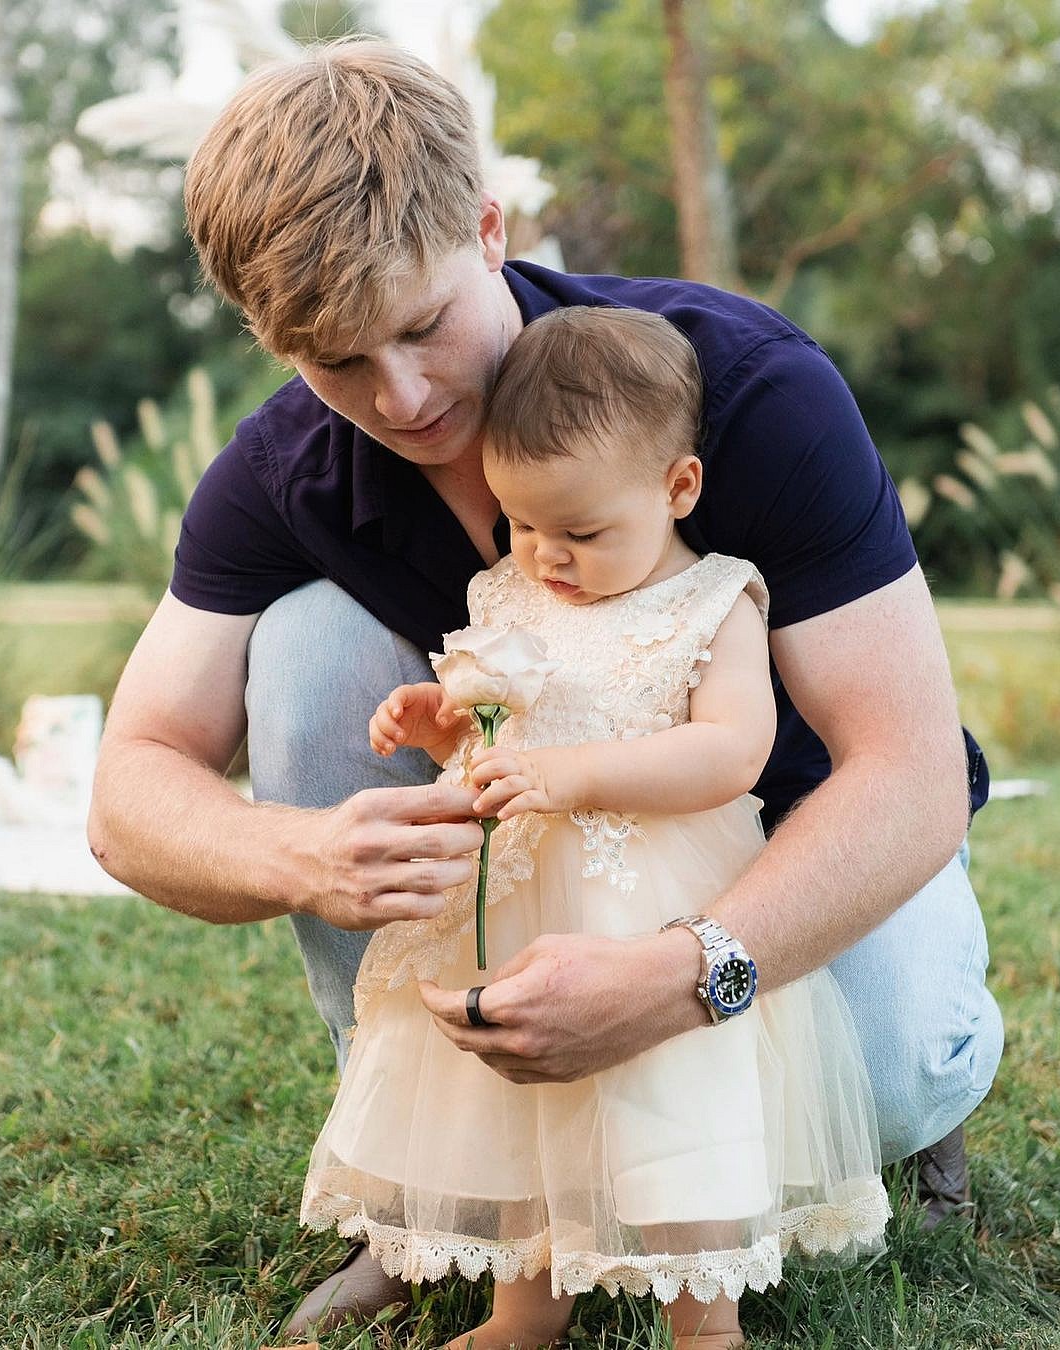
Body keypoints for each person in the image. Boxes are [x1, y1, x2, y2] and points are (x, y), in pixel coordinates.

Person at [86, 37, 1002, 1334]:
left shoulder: (741, 391)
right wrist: (298, 854)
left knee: (888, 1076)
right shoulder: (287, 467)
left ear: (488, 226)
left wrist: (685, 975)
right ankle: (427, 1170)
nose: (399, 397)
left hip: (781, 829)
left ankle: (935, 1094)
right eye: (337, 361)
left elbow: (903, 776)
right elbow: (129, 790)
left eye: (421, 326)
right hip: (546, 863)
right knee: (302, 642)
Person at [299, 305, 891, 1350]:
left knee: (675, 1109)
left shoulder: (715, 604)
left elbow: (729, 756)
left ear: (678, 489)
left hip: (657, 904)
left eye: (581, 532)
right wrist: (440, 723)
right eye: (523, 526)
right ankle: (524, 1311)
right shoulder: (510, 592)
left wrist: (570, 774)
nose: (549, 557)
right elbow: (494, 733)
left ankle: (704, 1323)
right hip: (525, 900)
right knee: (517, 1112)